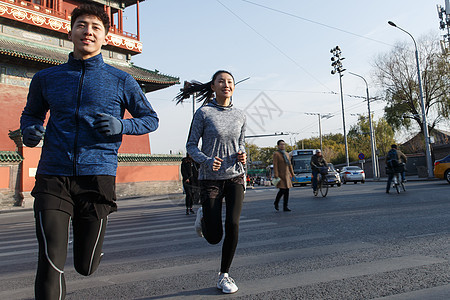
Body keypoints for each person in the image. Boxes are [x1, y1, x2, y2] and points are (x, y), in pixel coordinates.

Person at [20, 4, 159, 299]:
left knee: (85, 265)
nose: (88, 31)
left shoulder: (121, 80)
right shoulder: (46, 78)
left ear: (106, 37)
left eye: (96, 27)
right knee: (49, 260)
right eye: (81, 25)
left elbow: (151, 119)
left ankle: (90, 252)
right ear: (70, 32)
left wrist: (122, 126)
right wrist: (30, 132)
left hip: (97, 176)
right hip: (53, 174)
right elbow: (30, 115)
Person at [175, 70, 246, 294]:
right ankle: (204, 216)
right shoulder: (203, 113)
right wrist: (206, 160)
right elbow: (191, 146)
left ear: (234, 87)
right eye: (221, 81)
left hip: (235, 175)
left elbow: (242, 143)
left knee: (233, 224)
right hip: (210, 180)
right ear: (213, 86)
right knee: (214, 237)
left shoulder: (241, 115)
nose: (226, 85)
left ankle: (224, 275)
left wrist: (243, 154)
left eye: (230, 82)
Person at [272, 140, 295, 211]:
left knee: (287, 191)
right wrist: (276, 174)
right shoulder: (276, 154)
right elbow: (275, 165)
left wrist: (292, 173)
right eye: (281, 144)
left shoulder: (287, 154)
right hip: (280, 175)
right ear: (278, 146)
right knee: (282, 190)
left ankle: (285, 206)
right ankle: (276, 202)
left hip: (287, 175)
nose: (282, 146)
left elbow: (289, 164)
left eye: (284, 144)